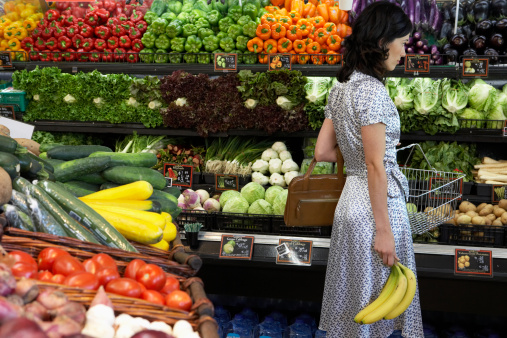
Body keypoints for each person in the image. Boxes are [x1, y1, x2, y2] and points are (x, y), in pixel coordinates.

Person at [315, 1, 424, 337]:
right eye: (402, 43)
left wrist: (359, 156)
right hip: (376, 209)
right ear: (382, 42)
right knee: (379, 306)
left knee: (355, 307)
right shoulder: (373, 93)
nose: (404, 52)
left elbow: (322, 151)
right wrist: (384, 231)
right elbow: (376, 166)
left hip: (350, 204)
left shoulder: (342, 87)